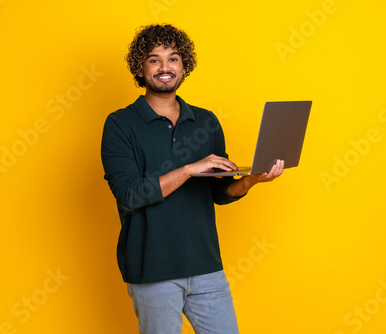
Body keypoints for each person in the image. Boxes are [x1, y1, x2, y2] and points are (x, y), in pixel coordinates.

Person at [101, 24, 285, 334]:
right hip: (152, 268)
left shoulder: (206, 121)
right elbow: (129, 195)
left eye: (173, 59)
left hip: (205, 265)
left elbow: (218, 191)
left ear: (184, 65)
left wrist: (251, 179)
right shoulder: (121, 124)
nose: (164, 67)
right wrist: (188, 168)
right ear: (140, 67)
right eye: (154, 59)